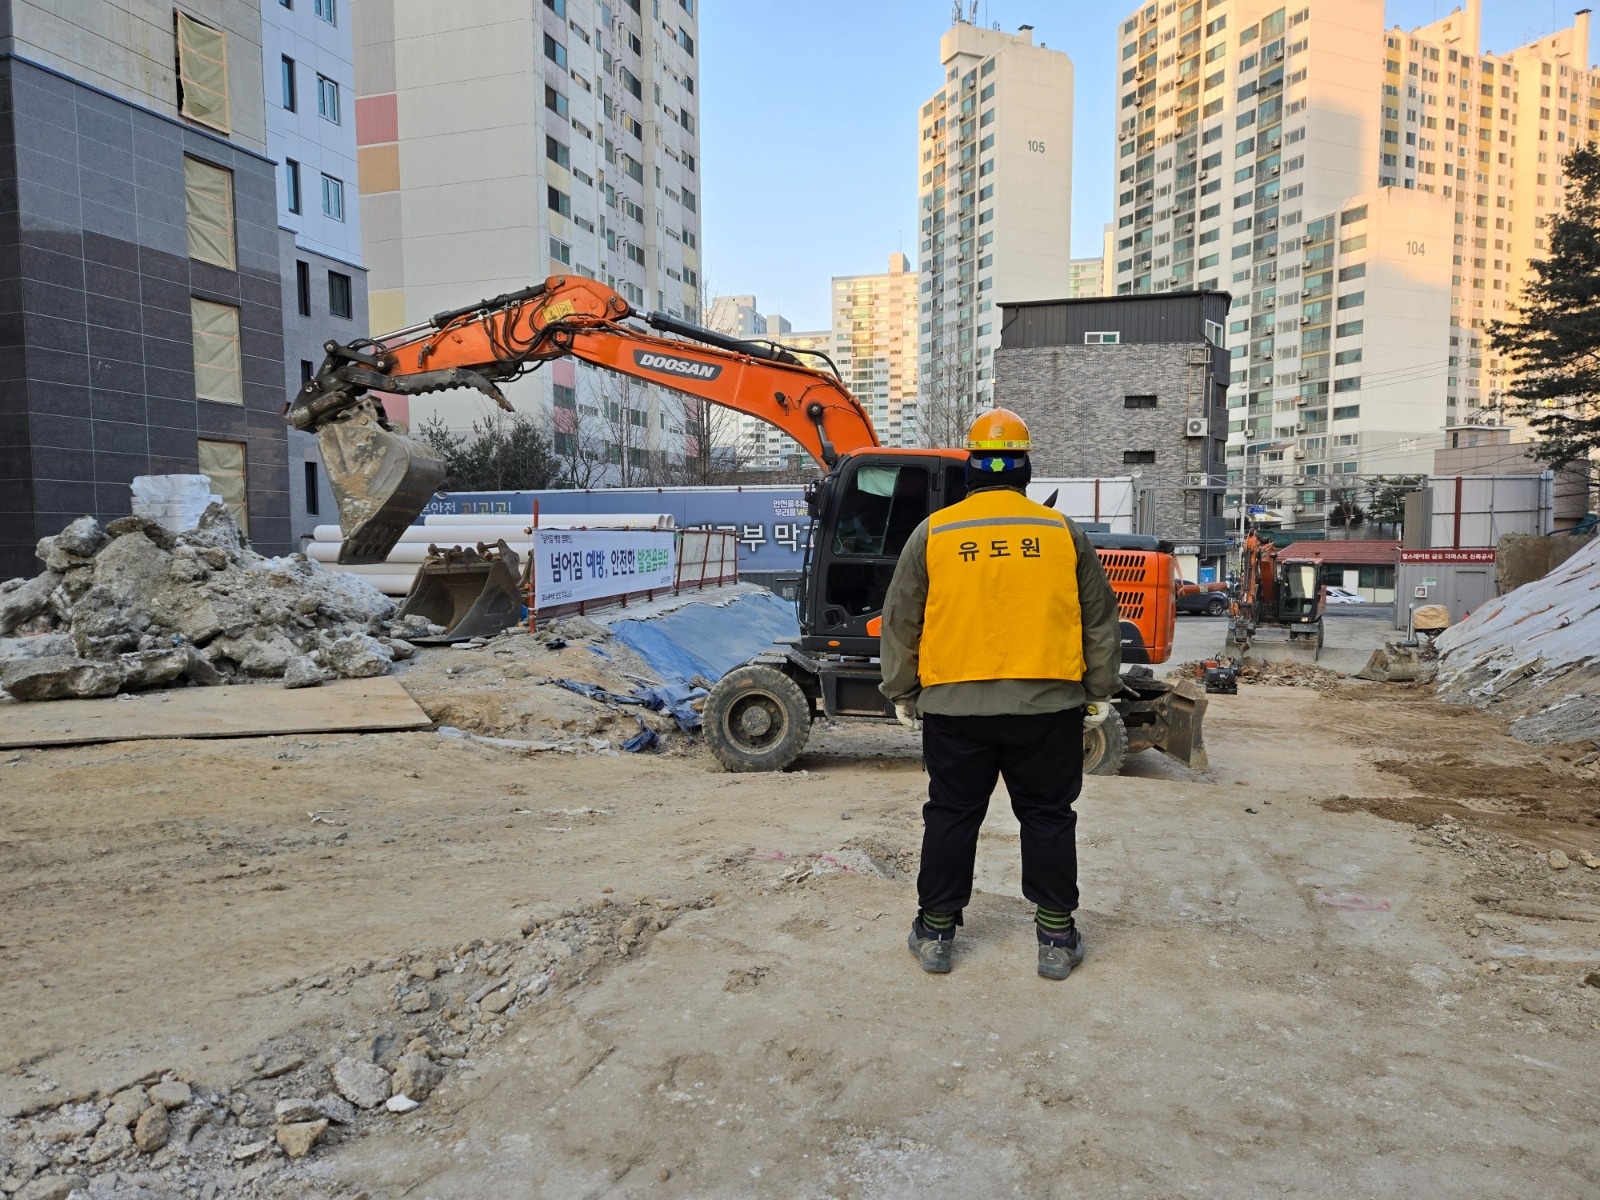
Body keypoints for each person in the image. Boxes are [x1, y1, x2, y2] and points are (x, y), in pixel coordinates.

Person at [878, 408, 1122, 980]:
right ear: (1026, 470)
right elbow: (1099, 620)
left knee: (952, 815)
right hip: (1047, 707)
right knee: (1048, 817)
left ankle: (936, 933)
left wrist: (902, 690)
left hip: (955, 709)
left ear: (971, 468)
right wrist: (1099, 690)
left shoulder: (935, 533)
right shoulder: (1062, 534)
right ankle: (1056, 939)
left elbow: (901, 619)